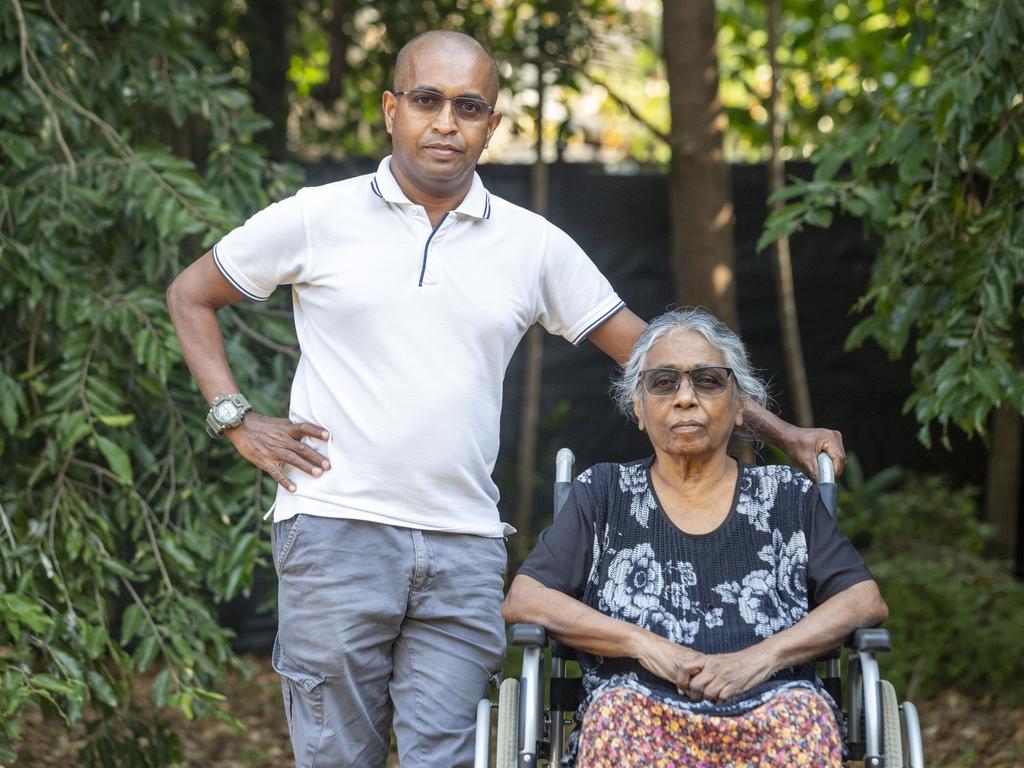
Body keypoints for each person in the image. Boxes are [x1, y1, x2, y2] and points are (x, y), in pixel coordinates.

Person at [166, 29, 846, 768]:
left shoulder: (532, 245)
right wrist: (237, 420)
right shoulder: (314, 216)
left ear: (491, 125)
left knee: (449, 758)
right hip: (337, 531)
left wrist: (781, 431)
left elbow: (664, 359)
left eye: (469, 106)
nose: (446, 122)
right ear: (391, 108)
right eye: (427, 101)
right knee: (336, 757)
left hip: (464, 546)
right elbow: (191, 294)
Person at [503, 309, 887, 767]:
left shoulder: (786, 496)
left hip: (774, 706)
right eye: (663, 383)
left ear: (741, 403)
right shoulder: (603, 494)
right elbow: (526, 598)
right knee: (617, 720)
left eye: (707, 381)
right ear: (639, 409)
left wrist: (760, 659)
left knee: (805, 719)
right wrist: (645, 645)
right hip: (637, 710)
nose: (685, 397)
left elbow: (863, 599)